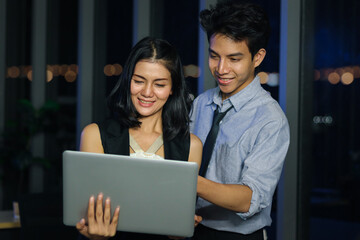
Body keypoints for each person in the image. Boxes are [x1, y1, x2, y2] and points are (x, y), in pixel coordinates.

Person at [76, 37, 203, 240]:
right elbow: (89, 214)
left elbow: (178, 225)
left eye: (159, 84)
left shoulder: (191, 146)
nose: (146, 92)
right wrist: (96, 235)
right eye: (138, 81)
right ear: (128, 81)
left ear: (172, 89)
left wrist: (180, 231)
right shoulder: (95, 135)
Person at [190, 1, 290, 240]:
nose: (221, 69)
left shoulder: (270, 119)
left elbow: (250, 198)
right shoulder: (200, 104)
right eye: (214, 56)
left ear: (258, 57)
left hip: (238, 236)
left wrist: (185, 180)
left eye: (234, 59)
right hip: (191, 228)